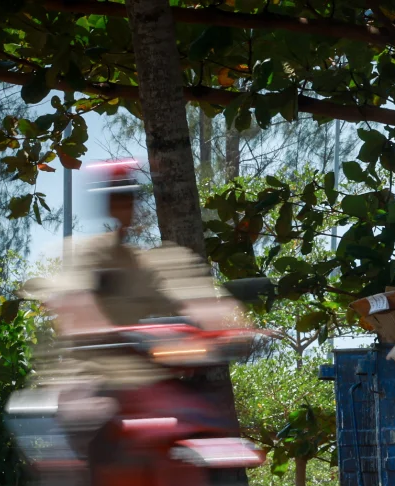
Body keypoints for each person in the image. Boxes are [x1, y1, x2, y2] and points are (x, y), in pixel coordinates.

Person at [27, 160, 244, 446]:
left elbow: (191, 292)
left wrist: (232, 326)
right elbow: (72, 295)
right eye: (116, 196)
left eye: (129, 196)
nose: (124, 204)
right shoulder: (88, 255)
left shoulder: (152, 262)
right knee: (82, 436)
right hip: (93, 379)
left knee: (200, 432)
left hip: (143, 383)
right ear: (105, 203)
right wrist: (94, 324)